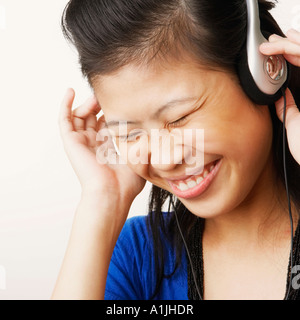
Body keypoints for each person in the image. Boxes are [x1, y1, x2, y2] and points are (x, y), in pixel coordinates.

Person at [52, 0, 300, 300]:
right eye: (130, 133)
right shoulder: (139, 255)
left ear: (263, 75)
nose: (165, 160)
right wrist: (104, 199)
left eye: (179, 118)